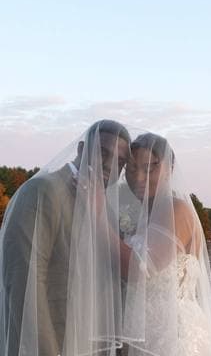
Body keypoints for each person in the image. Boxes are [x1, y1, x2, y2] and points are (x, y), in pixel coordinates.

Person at [0, 120, 131, 356]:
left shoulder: (106, 211)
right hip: (53, 344)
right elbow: (24, 282)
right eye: (103, 153)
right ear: (82, 149)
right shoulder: (43, 190)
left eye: (120, 163)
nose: (110, 166)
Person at [118, 133, 211, 356]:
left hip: (173, 339)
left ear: (170, 170)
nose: (139, 177)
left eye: (149, 168)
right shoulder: (142, 216)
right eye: (131, 169)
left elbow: (142, 268)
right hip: (142, 336)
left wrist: (97, 216)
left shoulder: (177, 210)